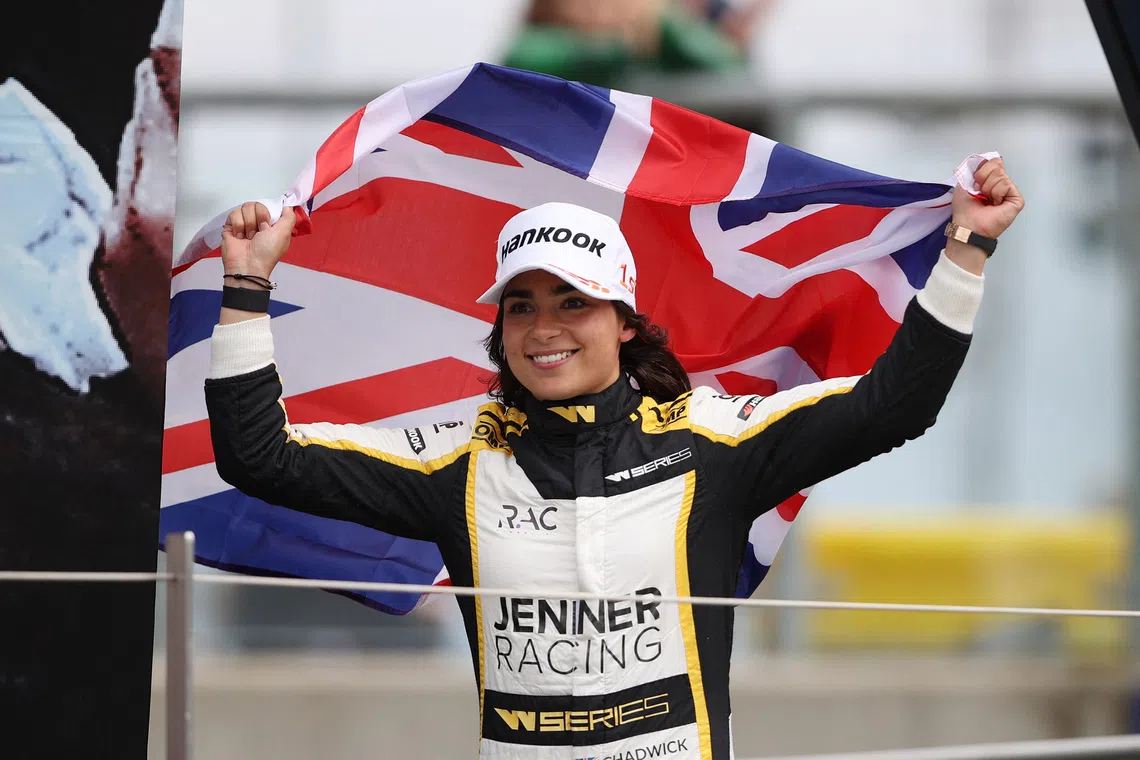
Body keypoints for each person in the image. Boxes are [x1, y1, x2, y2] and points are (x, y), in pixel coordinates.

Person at [205, 158, 1023, 759]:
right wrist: (245, 285)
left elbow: (896, 406)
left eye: (573, 302)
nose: (544, 327)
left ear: (625, 320)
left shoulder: (717, 440)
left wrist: (966, 248)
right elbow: (260, 457)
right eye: (520, 306)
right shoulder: (457, 460)